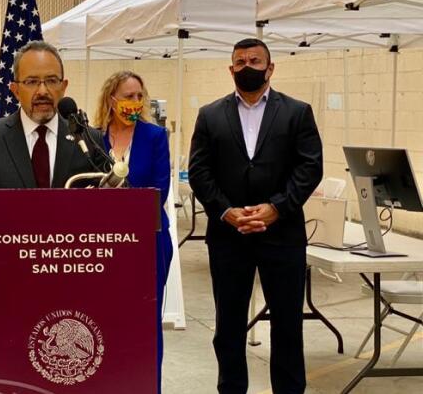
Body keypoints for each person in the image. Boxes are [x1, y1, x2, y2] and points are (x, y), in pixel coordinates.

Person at [189, 38, 323, 394]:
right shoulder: (210, 115)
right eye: (240, 61)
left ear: (270, 67)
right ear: (230, 68)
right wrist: (225, 211)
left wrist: (277, 207)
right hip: (229, 238)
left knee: (288, 326)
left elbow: (310, 168)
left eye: (255, 60)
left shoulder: (297, 112)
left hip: (283, 236)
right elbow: (200, 171)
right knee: (229, 326)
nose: (248, 66)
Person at [93, 70, 171, 394]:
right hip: (105, 244)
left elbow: (160, 191)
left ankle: (149, 386)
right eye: (128, 96)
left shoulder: (154, 136)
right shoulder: (95, 139)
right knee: (105, 320)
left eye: (140, 96)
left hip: (149, 242)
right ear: (112, 99)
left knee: (146, 321)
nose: (135, 102)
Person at [0, 41, 104, 190]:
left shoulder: (89, 141)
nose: (42, 91)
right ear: (15, 90)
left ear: (63, 87)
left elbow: (108, 204)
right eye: (31, 82)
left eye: (51, 80)